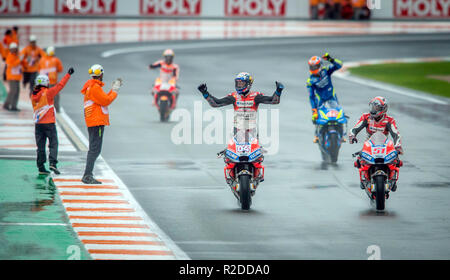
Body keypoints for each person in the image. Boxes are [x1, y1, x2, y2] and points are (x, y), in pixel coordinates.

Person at [197, 72, 284, 180]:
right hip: (237, 130)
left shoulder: (256, 96)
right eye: (237, 83)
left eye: (242, 83)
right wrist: (205, 93)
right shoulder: (233, 96)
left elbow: (273, 101)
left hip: (251, 130)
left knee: (254, 154)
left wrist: (278, 91)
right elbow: (216, 103)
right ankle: (232, 172)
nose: (239, 86)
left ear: (248, 84)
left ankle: (256, 172)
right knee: (233, 151)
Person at [348, 96, 403, 191]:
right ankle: (363, 179)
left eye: (376, 107)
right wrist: (352, 136)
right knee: (359, 160)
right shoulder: (366, 117)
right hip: (369, 145)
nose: (373, 110)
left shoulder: (389, 120)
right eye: (372, 107)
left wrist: (398, 146)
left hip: (384, 145)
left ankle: (393, 180)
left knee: (396, 160)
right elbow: (355, 128)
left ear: (383, 109)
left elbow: (396, 134)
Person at [81, 64, 122, 184]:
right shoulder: (94, 87)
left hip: (94, 121)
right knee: (95, 149)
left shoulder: (93, 87)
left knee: (94, 149)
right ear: (101, 74)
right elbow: (106, 101)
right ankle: (87, 175)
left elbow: (103, 99)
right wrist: (115, 91)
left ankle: (87, 175)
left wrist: (112, 90)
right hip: (96, 122)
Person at [32, 68, 74, 175]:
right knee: (53, 144)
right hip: (49, 124)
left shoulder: (33, 95)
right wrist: (68, 75)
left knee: (40, 146)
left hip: (38, 125)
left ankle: (41, 166)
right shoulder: (48, 93)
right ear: (46, 83)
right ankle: (52, 163)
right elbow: (60, 85)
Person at [307, 52, 343, 143]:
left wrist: (330, 59)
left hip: (332, 98)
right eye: (311, 67)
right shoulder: (310, 81)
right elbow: (311, 96)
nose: (313, 69)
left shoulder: (326, 71)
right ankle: (317, 135)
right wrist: (314, 110)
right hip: (321, 101)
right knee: (316, 117)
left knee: (339, 114)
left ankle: (341, 134)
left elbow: (339, 65)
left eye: (315, 67)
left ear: (320, 65)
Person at [39, 46, 63, 112]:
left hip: (44, 83)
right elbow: (60, 69)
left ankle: (45, 109)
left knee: (44, 96)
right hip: (53, 82)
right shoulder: (56, 60)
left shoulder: (42, 60)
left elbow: (39, 70)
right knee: (55, 96)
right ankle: (56, 109)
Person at [3, 43, 26, 111]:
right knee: (13, 91)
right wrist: (19, 60)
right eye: (12, 49)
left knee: (17, 91)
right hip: (11, 76)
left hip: (17, 76)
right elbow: (13, 65)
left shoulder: (17, 55)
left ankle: (13, 106)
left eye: (15, 48)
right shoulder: (10, 56)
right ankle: (7, 104)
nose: (14, 50)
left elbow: (20, 64)